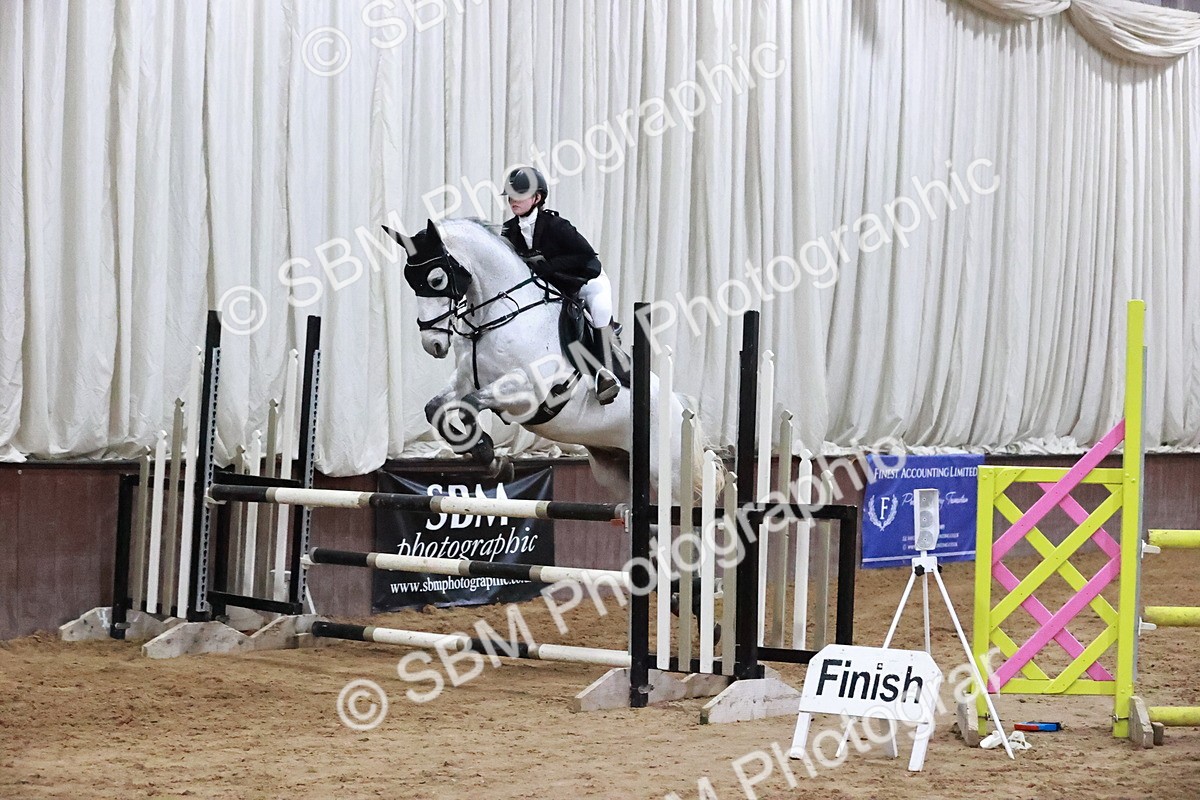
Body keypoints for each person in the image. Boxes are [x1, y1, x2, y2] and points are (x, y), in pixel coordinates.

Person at [499, 166, 621, 404]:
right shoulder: (509, 230)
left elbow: (587, 255)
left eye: (520, 195)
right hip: (554, 286)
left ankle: (605, 373)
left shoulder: (557, 225)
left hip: (586, 280)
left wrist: (550, 266)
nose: (513, 200)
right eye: (511, 196)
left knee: (599, 312)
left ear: (537, 198)